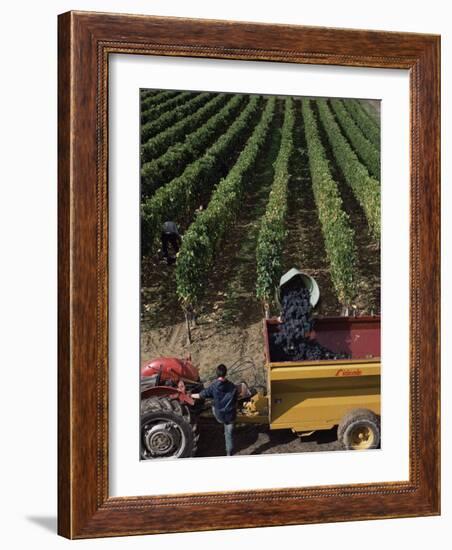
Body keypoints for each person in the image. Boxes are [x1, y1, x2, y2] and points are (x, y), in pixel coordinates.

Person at [191, 364, 237, 456]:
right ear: (226, 373)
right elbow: (236, 400)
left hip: (219, 415)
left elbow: (201, 395)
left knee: (212, 404)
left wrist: (190, 395)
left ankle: (223, 426)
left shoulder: (214, 386)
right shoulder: (232, 386)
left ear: (217, 373)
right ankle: (229, 454)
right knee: (229, 434)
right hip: (231, 415)